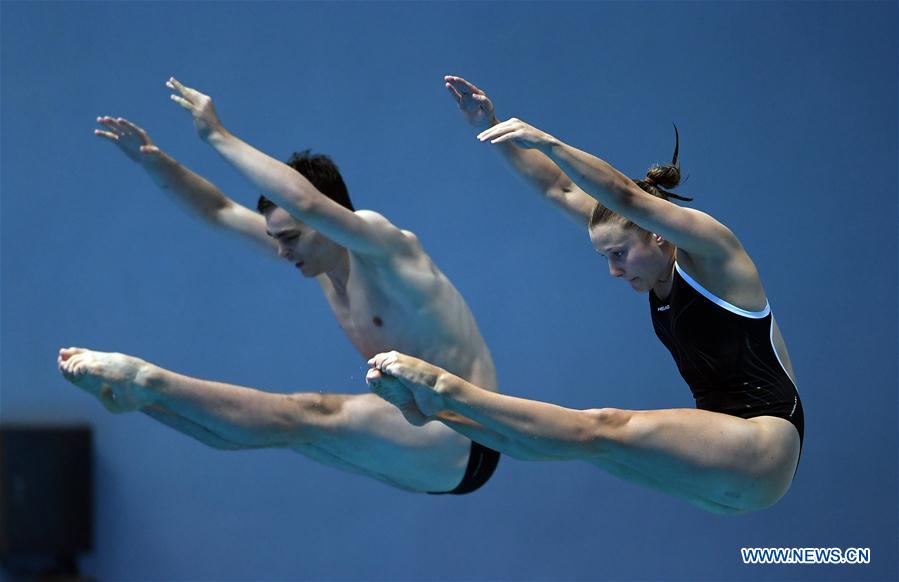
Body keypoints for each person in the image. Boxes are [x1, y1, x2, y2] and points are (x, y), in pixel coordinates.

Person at [365, 76, 804, 514]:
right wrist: (492, 127)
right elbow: (559, 189)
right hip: (727, 480)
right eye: (606, 257)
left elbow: (625, 196)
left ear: (656, 233)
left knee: (601, 426)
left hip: (765, 444)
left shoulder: (714, 254)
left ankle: (442, 385)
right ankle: (435, 410)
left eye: (619, 254)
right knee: (582, 445)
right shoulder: (650, 263)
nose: (613, 270)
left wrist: (549, 143)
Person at [58, 77, 508, 495]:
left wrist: (217, 135)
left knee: (306, 414)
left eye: (290, 237)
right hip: (434, 453)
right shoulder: (318, 259)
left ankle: (147, 379)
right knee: (273, 431)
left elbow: (305, 201)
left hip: (466, 431)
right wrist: (156, 163)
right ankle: (140, 400)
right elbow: (218, 211)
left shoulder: (385, 249)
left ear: (327, 220)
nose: (281, 251)